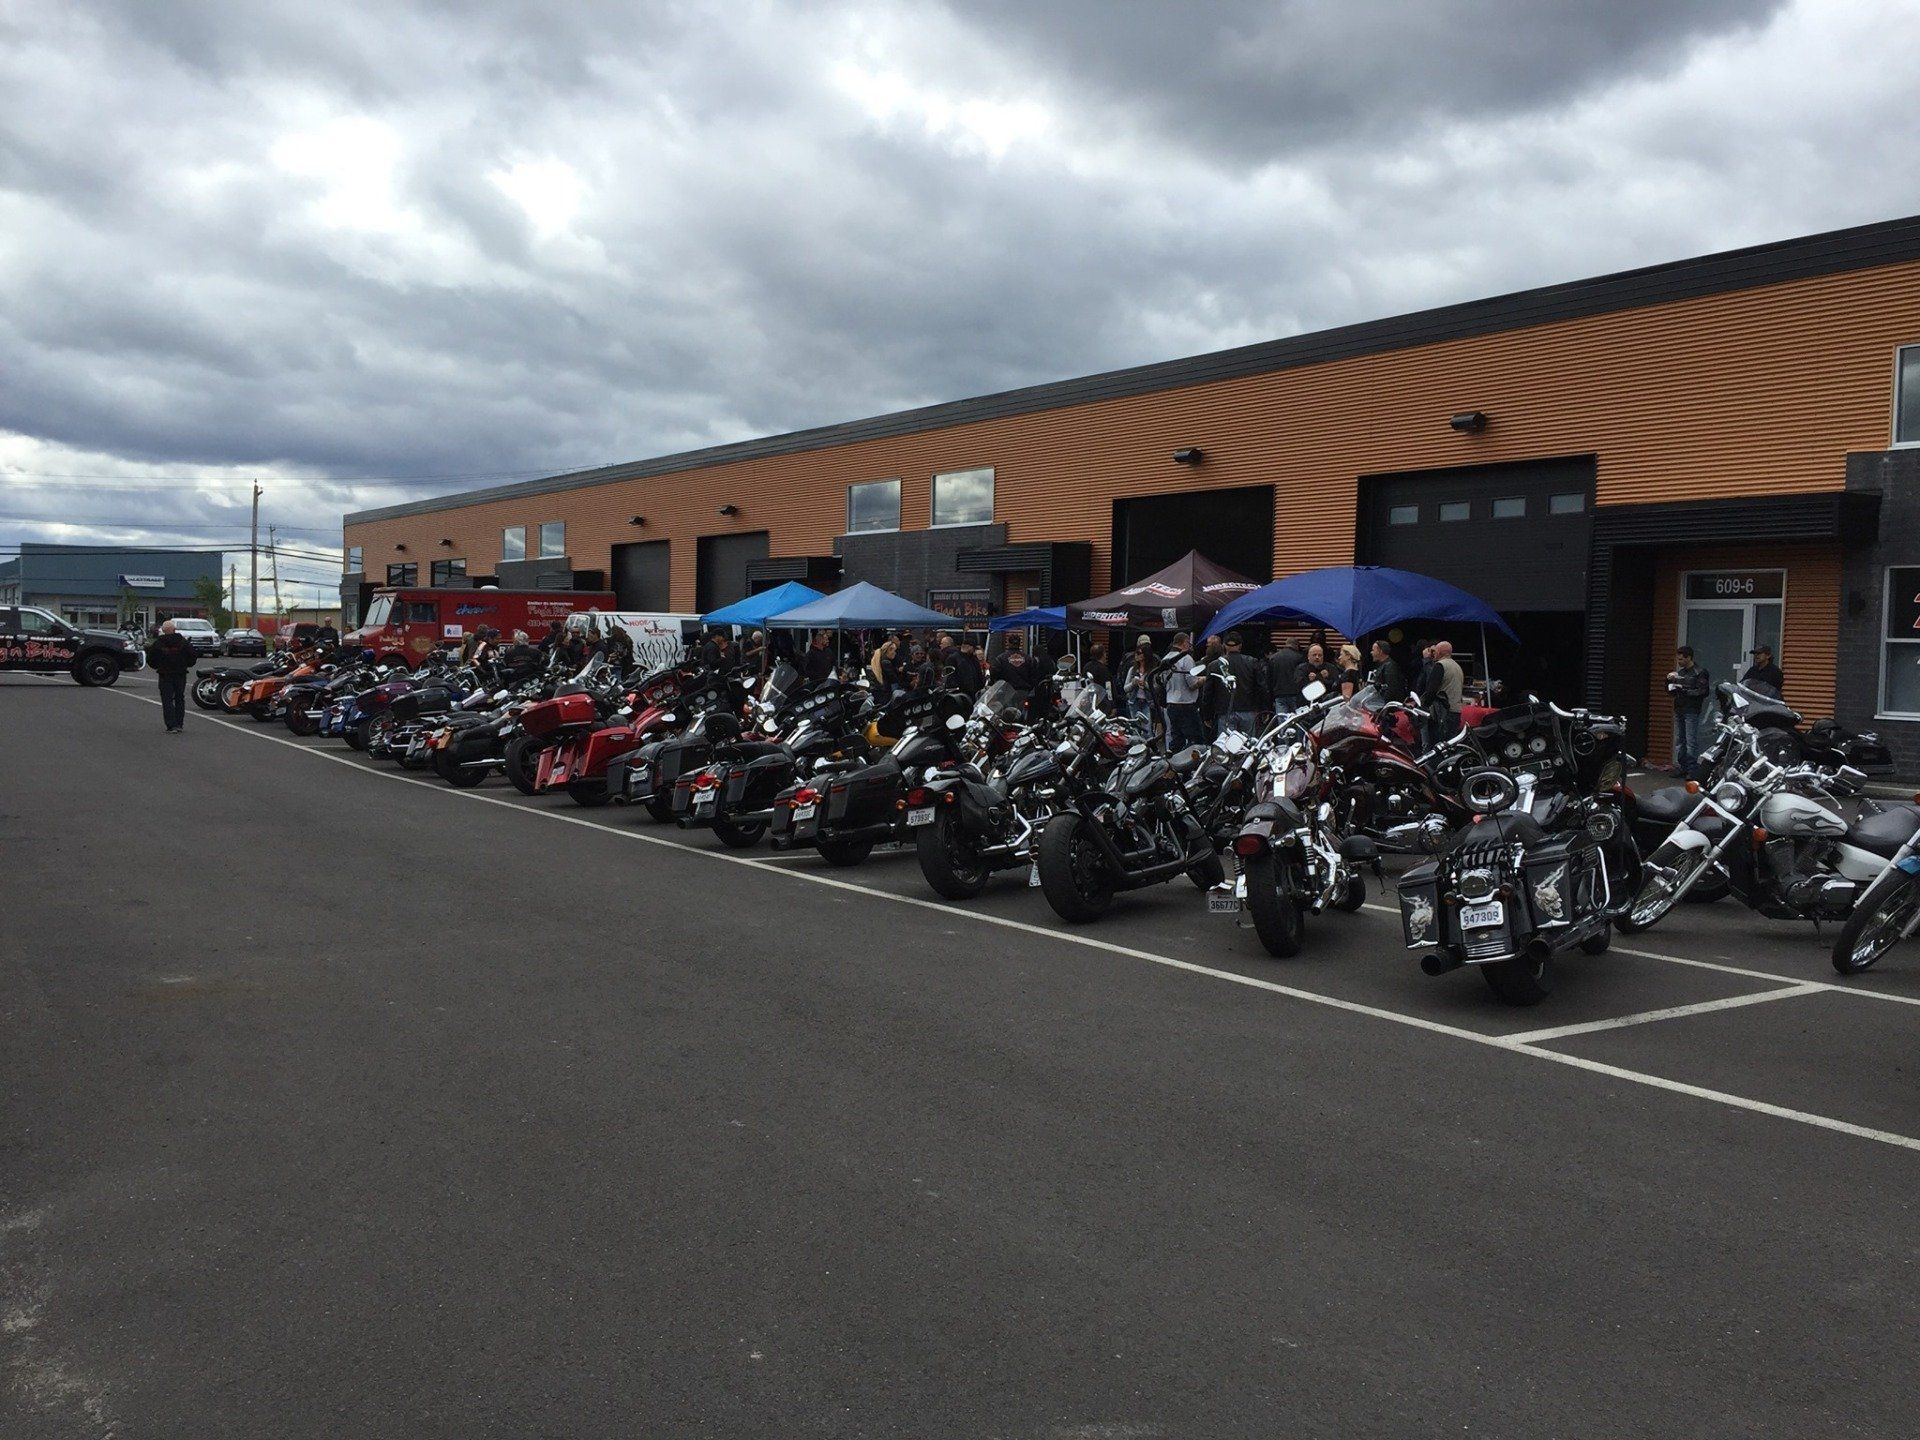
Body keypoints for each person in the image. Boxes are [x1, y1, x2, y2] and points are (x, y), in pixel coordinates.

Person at [145, 620, 198, 733]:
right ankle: (179, 724)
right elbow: (193, 656)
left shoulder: (158, 643)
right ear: (174, 630)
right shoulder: (183, 642)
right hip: (180, 673)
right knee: (179, 698)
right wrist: (186, 664)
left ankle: (171, 725)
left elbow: (150, 659)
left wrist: (158, 666)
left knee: (167, 700)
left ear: (163, 631)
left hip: (165, 674)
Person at [1667, 644, 1711, 775]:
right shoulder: (1680, 673)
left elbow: (1703, 691)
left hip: (1691, 709)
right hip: (1679, 708)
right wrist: (1668, 682)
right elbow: (1671, 692)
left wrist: (1684, 690)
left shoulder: (1700, 672)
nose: (1678, 662)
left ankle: (1692, 769)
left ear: (1689, 658)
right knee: (1680, 740)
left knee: (1690, 740)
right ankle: (1682, 767)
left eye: (1681, 659)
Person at [1160, 631, 1204, 749]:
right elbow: (1192, 683)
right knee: (1196, 739)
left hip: (1171, 703)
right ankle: (1192, 764)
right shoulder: (1186, 658)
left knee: (1177, 738)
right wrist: (1204, 679)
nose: (1190, 646)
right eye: (1189, 644)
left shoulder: (1165, 659)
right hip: (1186, 704)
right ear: (1184, 643)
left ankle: (1173, 760)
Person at [1219, 630, 1263, 733]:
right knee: (1248, 745)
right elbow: (1260, 687)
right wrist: (1261, 708)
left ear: (1224, 646)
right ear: (1240, 646)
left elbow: (1209, 691)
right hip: (1248, 710)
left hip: (1225, 711)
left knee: (1225, 745)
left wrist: (1207, 714)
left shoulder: (1216, 665)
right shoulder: (1252, 662)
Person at [1432, 641, 1465, 739]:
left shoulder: (1440, 665)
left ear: (1439, 652)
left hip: (1443, 713)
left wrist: (1422, 704)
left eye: (1435, 651)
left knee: (1440, 744)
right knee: (1451, 743)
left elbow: (1431, 690)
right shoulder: (1457, 667)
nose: (1434, 653)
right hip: (1456, 711)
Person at [1267, 636, 1305, 715]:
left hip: (1279, 694)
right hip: (1296, 694)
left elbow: (1269, 679)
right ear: (1296, 645)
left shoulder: (1274, 658)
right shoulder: (1299, 657)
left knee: (1282, 721)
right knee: (1297, 719)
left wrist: (1271, 698)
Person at [1122, 635, 1156, 724]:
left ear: (1145, 654)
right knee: (1134, 728)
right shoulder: (1132, 669)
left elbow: (1157, 688)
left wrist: (1145, 685)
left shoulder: (1152, 670)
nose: (1136, 655)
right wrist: (1133, 683)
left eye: (1139, 653)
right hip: (1134, 701)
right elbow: (1125, 688)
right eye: (1136, 652)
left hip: (1147, 702)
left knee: (1147, 730)